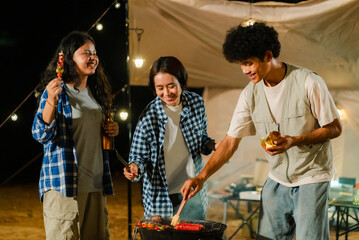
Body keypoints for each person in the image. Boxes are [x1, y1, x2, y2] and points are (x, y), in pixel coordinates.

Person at [180, 22, 342, 240]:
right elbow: (229, 142)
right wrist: (201, 177)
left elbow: (334, 128)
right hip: (276, 178)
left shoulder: (309, 81)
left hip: (312, 176)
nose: (245, 70)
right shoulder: (249, 94)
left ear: (268, 55)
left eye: (249, 63)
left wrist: (295, 140)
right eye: (241, 64)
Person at [32, 31, 119, 240]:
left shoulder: (96, 94)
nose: (93, 57)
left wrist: (111, 130)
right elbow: (39, 134)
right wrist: (51, 102)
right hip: (64, 186)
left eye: (95, 53)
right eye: (85, 53)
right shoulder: (55, 92)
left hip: (96, 184)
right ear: (69, 58)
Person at [123, 56, 216, 220]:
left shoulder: (196, 103)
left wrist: (211, 145)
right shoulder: (149, 117)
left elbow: (200, 140)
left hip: (192, 191)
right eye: (160, 88)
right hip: (160, 197)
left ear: (181, 82)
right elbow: (138, 157)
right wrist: (134, 168)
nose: (166, 93)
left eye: (171, 86)